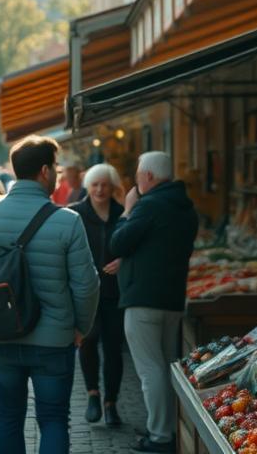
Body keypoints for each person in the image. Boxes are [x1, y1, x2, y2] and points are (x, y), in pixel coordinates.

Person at [0, 137, 99, 454]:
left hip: (4, 339)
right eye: (56, 168)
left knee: (8, 418)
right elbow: (86, 285)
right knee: (53, 420)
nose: (58, 175)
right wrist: (81, 328)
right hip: (54, 340)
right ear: (45, 171)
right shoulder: (68, 221)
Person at [107, 151, 198, 454]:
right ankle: (168, 427)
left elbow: (117, 242)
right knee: (165, 366)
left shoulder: (148, 205)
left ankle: (160, 436)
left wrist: (127, 211)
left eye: (137, 175)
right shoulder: (184, 206)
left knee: (151, 370)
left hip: (143, 299)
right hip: (172, 298)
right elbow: (157, 246)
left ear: (147, 176)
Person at [72, 163, 126, 428]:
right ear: (88, 187)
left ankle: (111, 404)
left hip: (116, 293)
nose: (100, 189)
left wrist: (124, 262)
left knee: (114, 349)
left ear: (113, 186)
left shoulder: (123, 213)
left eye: (105, 184)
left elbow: (135, 245)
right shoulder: (76, 214)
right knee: (89, 342)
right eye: (95, 184)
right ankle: (93, 394)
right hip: (87, 292)